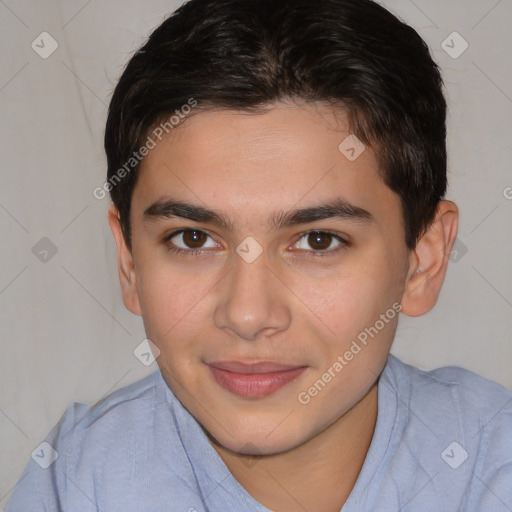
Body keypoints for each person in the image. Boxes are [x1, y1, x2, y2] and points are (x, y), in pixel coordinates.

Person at [7, 0, 512, 510]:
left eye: (319, 240)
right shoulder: (75, 484)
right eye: (193, 239)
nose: (248, 316)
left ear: (422, 261)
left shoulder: (494, 464)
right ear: (130, 261)